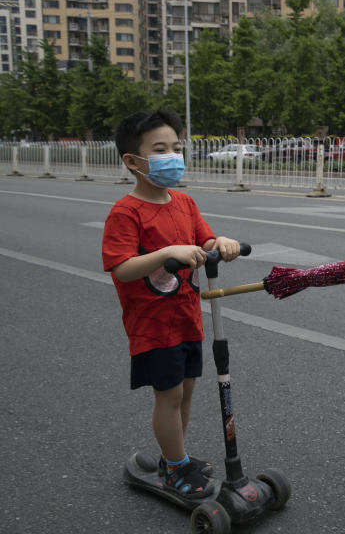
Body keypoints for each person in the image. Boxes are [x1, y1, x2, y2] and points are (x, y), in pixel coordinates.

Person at [102, 110, 241, 497]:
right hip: (152, 322)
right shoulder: (126, 212)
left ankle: (173, 456)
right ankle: (176, 468)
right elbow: (122, 267)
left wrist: (220, 244)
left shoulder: (184, 202)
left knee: (188, 388)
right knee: (169, 394)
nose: (172, 156)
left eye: (176, 148)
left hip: (187, 317)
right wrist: (167, 252)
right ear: (133, 161)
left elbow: (205, 243)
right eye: (160, 149)